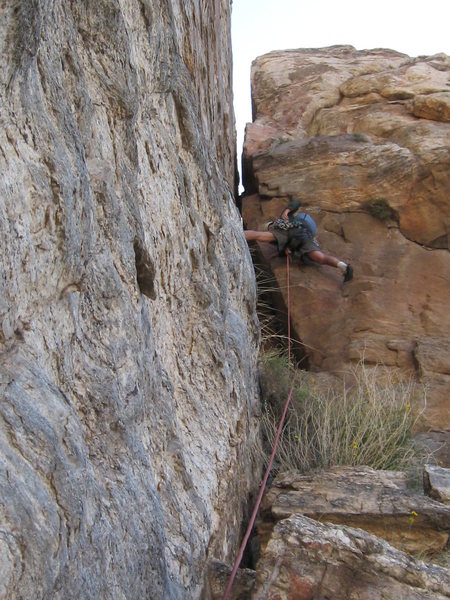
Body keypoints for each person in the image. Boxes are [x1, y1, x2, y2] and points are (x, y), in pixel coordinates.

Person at [244, 199, 353, 282]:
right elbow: (285, 250)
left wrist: (287, 210)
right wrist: (287, 251)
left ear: (271, 225)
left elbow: (297, 201)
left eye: (269, 227)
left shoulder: (281, 223)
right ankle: (343, 266)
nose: (270, 229)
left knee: (258, 235)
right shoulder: (281, 228)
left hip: (291, 232)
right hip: (304, 237)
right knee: (320, 258)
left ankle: (238, 234)